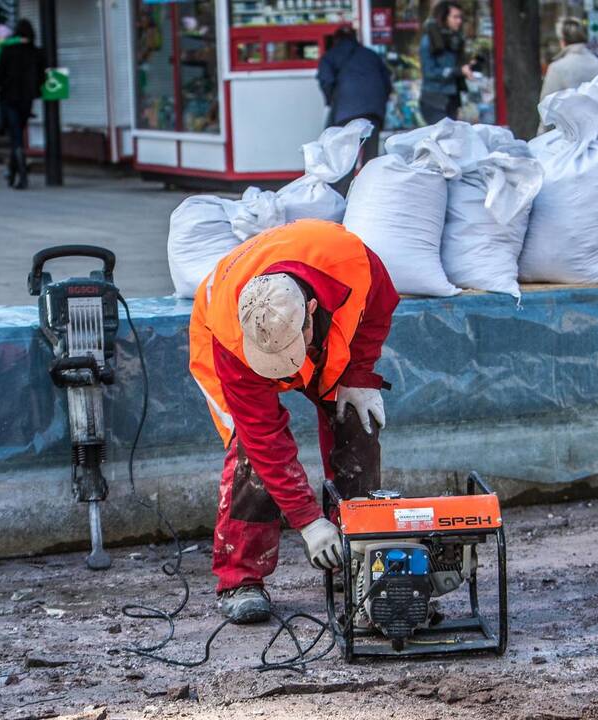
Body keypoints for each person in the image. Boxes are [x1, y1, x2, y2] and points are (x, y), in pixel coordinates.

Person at [188, 219, 399, 623]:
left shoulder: (353, 262)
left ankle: (354, 557)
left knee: (357, 422)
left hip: (326, 341)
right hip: (232, 348)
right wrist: (308, 522)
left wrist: (358, 375)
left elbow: (378, 308)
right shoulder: (233, 338)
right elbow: (266, 438)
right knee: (253, 454)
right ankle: (240, 578)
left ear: (311, 313)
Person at [317, 25, 393, 192]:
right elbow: (387, 82)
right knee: (370, 157)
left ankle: (344, 196)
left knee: (346, 157)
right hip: (373, 111)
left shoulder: (330, 56)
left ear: (336, 40)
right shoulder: (371, 55)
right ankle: (370, 193)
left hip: (346, 110)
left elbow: (326, 81)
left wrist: (333, 101)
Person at [536, 17, 598, 141]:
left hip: (570, 145)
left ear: (563, 41)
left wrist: (541, 139)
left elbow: (546, 109)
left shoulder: (558, 68)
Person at [0, 19, 45, 190]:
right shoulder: (35, 52)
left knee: (15, 137)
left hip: (9, 97)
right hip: (26, 99)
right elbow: (41, 77)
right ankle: (13, 172)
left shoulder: (7, 50)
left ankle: (21, 175)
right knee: (19, 133)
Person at [419, 0, 472, 124]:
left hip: (452, 99)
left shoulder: (455, 39)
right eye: (455, 17)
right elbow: (429, 72)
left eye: (460, 17)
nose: (459, 21)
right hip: (435, 100)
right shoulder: (429, 40)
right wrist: (457, 71)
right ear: (444, 17)